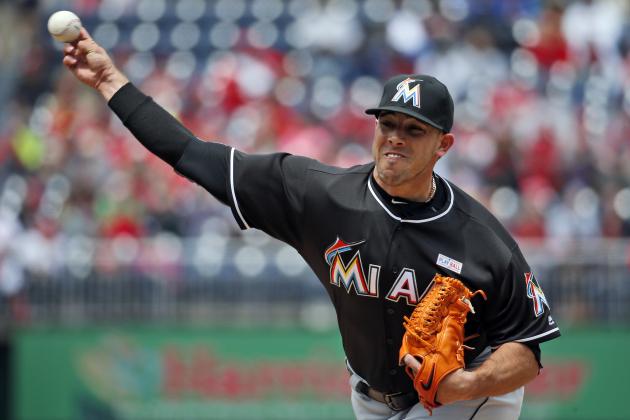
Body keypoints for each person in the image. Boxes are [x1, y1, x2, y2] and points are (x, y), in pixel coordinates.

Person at [61, 28, 560, 420]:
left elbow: (529, 349)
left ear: (443, 146)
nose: (395, 138)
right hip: (370, 398)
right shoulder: (317, 194)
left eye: (413, 130)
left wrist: (469, 384)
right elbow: (192, 154)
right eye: (387, 124)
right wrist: (111, 84)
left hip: (464, 397)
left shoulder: (478, 235)